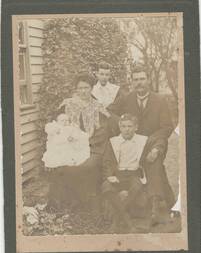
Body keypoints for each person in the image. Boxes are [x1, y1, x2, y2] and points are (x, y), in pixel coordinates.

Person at [108, 65, 175, 224]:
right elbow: (109, 111)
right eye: (136, 79)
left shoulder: (160, 100)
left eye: (142, 79)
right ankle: (153, 201)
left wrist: (153, 145)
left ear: (149, 80)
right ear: (132, 82)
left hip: (153, 142)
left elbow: (167, 127)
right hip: (132, 144)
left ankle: (153, 207)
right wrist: (123, 122)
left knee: (154, 158)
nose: (139, 83)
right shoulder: (126, 98)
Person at [47, 73, 119, 211]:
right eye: (80, 88)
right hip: (68, 146)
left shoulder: (97, 106)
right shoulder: (67, 104)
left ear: (91, 88)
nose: (83, 91)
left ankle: (86, 201)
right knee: (62, 166)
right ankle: (66, 202)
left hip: (93, 146)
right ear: (76, 89)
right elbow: (56, 125)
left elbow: (103, 129)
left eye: (86, 87)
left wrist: (87, 142)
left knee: (87, 166)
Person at [102, 114, 149, 232]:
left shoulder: (143, 141)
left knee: (136, 187)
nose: (126, 129)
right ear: (119, 128)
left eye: (129, 126)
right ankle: (128, 221)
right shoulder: (113, 142)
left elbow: (146, 161)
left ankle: (117, 221)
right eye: (123, 126)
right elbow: (107, 161)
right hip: (118, 174)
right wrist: (110, 175)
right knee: (106, 187)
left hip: (134, 173)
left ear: (136, 127)